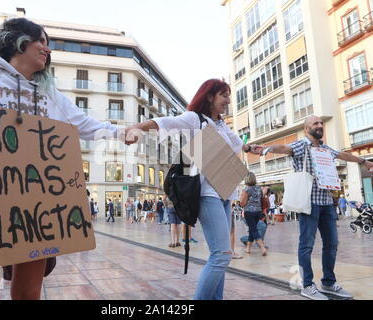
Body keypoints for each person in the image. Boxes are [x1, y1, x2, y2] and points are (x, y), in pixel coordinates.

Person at [0, 18, 121, 300]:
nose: (46, 49)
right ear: (19, 42)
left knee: (29, 292)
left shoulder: (49, 96)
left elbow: (87, 125)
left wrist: (126, 132)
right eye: (41, 41)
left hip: (37, 215)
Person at [125, 78, 262, 300]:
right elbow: (165, 122)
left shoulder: (221, 124)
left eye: (228, 96)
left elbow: (238, 143)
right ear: (210, 96)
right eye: (224, 95)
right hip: (208, 194)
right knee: (221, 255)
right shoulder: (194, 119)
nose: (228, 100)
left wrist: (250, 147)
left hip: (225, 192)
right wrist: (136, 128)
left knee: (220, 255)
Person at [257, 115, 373, 300]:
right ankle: (307, 285)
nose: (320, 125)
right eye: (315, 123)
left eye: (320, 123)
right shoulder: (302, 145)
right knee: (306, 246)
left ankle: (328, 282)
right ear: (306, 129)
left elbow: (342, 154)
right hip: (308, 203)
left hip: (327, 203)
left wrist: (362, 161)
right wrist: (266, 149)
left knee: (332, 244)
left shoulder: (325, 148)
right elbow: (285, 148)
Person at [239, 173, 268, 256]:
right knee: (252, 229)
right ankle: (248, 248)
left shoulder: (246, 189)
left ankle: (262, 247)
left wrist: (240, 202)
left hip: (249, 212)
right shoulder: (258, 188)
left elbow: (242, 203)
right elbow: (262, 196)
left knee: (254, 230)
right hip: (258, 212)